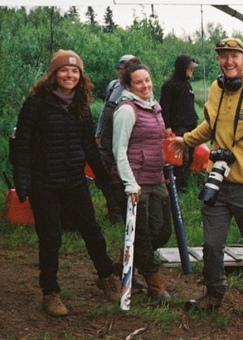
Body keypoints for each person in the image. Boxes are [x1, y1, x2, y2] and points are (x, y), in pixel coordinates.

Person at [168, 36, 243, 335]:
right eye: (223, 56)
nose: (229, 61)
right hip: (218, 182)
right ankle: (214, 294)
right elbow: (211, 127)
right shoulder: (215, 89)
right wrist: (185, 141)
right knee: (211, 244)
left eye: (235, 56)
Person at [13, 49, 122, 317]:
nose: (69, 75)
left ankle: (106, 276)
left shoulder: (80, 104)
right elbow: (22, 145)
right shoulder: (36, 103)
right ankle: (50, 292)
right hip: (44, 182)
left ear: (80, 76)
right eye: (64, 70)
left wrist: (103, 178)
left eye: (75, 71)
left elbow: (89, 146)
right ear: (53, 74)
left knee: (92, 230)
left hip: (74, 179)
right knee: (50, 238)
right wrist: (23, 181)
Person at [111, 62, 173, 302]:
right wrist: (129, 183)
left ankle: (123, 261)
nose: (144, 85)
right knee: (143, 234)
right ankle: (155, 285)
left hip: (156, 177)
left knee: (162, 231)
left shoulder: (154, 106)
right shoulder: (126, 109)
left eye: (147, 80)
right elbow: (119, 149)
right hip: (133, 180)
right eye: (138, 82)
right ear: (128, 85)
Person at [97, 53, 137, 223]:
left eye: (125, 68)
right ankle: (112, 206)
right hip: (106, 136)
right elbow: (104, 110)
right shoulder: (113, 86)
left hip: (124, 139)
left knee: (119, 174)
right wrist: (98, 133)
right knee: (102, 171)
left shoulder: (135, 87)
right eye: (120, 69)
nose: (121, 72)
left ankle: (119, 212)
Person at [159, 54, 199, 191]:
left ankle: (183, 188)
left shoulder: (187, 84)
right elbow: (164, 107)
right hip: (178, 127)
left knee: (190, 158)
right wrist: (167, 126)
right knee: (182, 159)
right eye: (190, 68)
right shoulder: (170, 85)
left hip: (190, 127)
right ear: (183, 68)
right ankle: (175, 188)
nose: (192, 71)